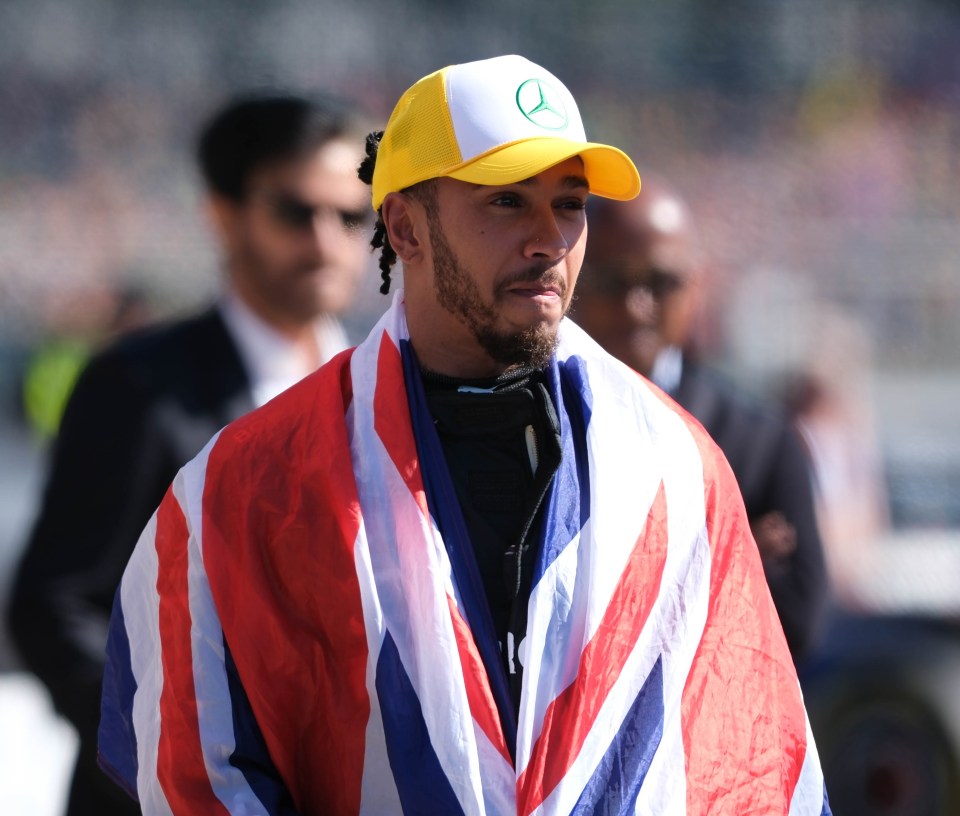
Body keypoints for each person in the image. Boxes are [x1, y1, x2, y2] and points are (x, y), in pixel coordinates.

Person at [98, 56, 830, 813]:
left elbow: (752, 761)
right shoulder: (246, 484)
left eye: (570, 204)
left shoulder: (676, 466)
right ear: (405, 226)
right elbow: (200, 770)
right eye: (508, 202)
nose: (549, 240)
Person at [8, 91, 371, 816]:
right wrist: (180, 755)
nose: (327, 241)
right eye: (297, 212)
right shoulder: (141, 386)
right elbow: (57, 606)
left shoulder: (381, 390)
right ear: (223, 214)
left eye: (353, 216)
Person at [572, 179, 830, 663]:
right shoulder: (533, 420)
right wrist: (727, 554)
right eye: (613, 281)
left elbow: (799, 621)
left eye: (660, 283)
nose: (637, 305)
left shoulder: (760, 441)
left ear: (696, 286)